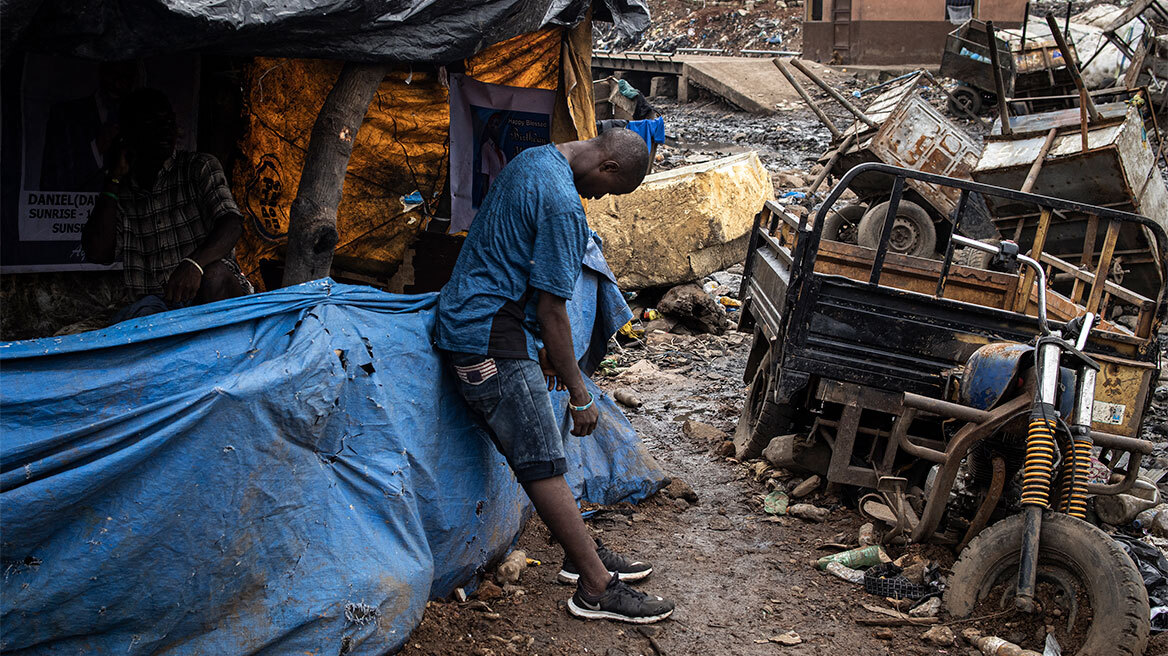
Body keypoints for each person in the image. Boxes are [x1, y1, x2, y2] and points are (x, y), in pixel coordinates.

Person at [434, 128, 674, 623]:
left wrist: (541, 350)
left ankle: (577, 554)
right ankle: (595, 588)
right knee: (542, 458)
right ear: (607, 167)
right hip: (487, 336)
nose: (598, 197)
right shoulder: (564, 204)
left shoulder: (534, 160)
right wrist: (581, 393)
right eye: (608, 190)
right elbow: (553, 311)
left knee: (542, 447)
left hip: (478, 318)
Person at [81, 88, 252, 322]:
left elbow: (232, 224)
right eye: (152, 123)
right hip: (157, 305)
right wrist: (113, 178)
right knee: (136, 319)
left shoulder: (199, 167)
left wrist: (194, 264)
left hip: (208, 293)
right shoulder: (123, 191)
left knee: (216, 275)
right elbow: (97, 252)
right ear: (128, 134)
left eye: (168, 122)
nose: (165, 130)